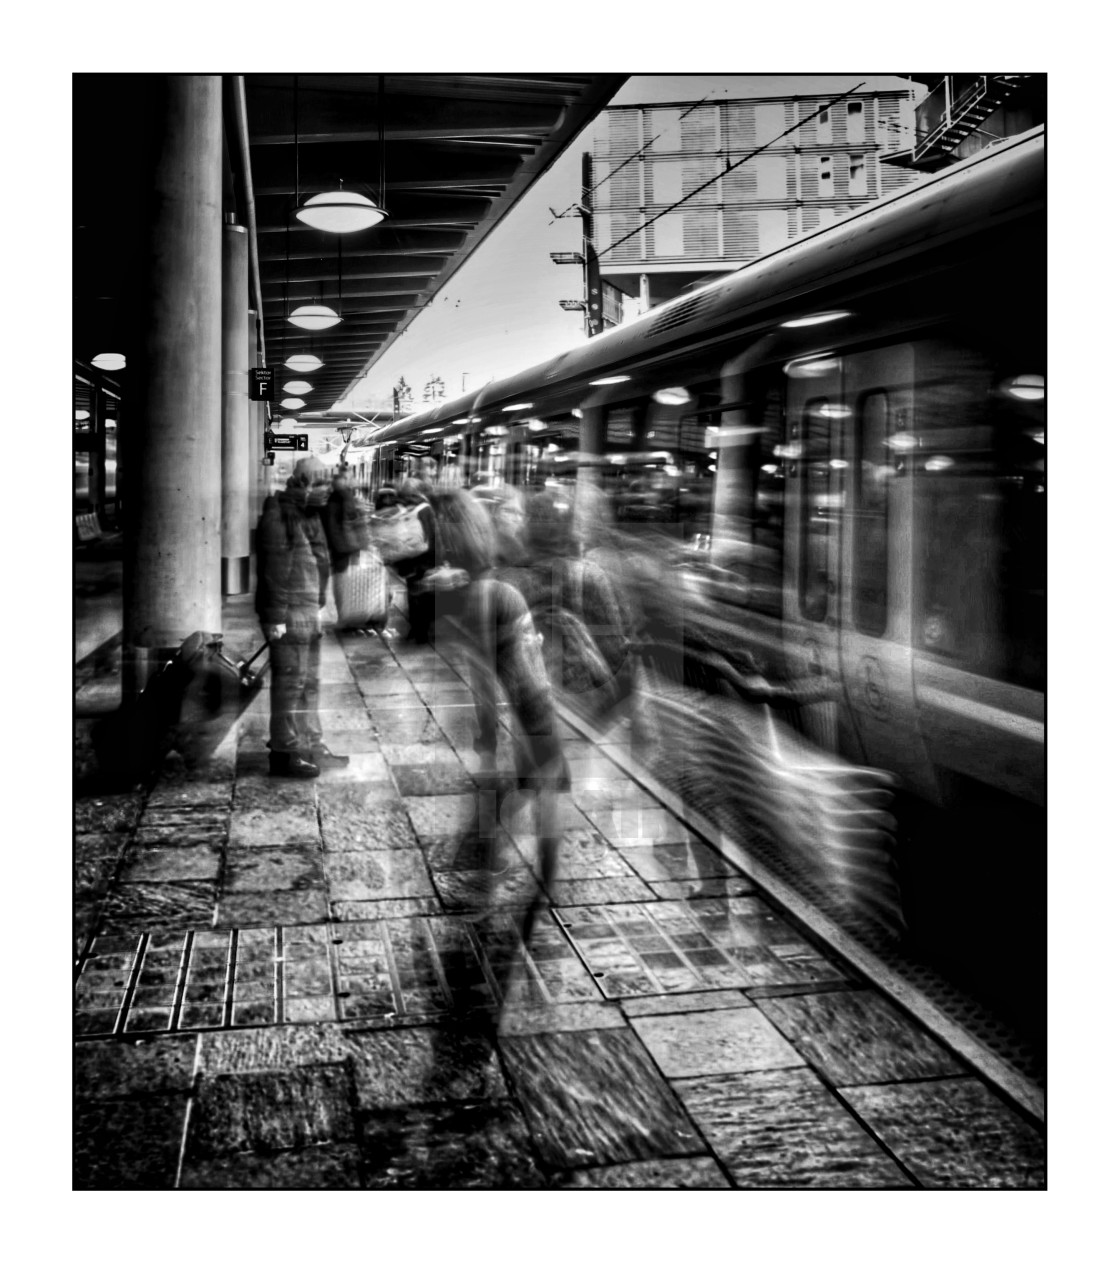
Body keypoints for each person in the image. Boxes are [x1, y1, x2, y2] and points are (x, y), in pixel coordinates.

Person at [426, 490, 569, 963]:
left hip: (510, 725)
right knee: (529, 802)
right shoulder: (498, 590)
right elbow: (520, 677)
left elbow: (481, 677)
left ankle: (497, 887)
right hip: (532, 716)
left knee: (506, 806)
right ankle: (529, 896)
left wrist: (488, 740)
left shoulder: (468, 593)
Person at [254, 456, 350, 777]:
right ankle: (284, 751)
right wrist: (275, 619)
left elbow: (323, 560)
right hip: (289, 612)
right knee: (290, 684)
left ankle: (312, 743)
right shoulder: (279, 515)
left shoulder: (311, 514)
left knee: (309, 683)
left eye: (327, 483)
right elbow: (274, 573)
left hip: (309, 610)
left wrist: (322, 605)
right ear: (302, 483)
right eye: (320, 483)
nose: (325, 490)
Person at [322, 469, 372, 627]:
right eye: (351, 477)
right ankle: (349, 616)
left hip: (337, 546)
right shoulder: (345, 496)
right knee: (348, 580)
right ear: (344, 480)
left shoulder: (332, 496)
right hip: (346, 546)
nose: (354, 480)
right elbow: (351, 523)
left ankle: (345, 614)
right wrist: (361, 543)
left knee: (340, 579)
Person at [393, 476, 437, 643]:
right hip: (424, 560)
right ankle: (422, 631)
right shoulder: (425, 509)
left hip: (410, 559)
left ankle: (415, 627)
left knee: (413, 593)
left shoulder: (406, 508)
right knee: (425, 595)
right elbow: (430, 536)